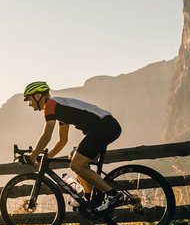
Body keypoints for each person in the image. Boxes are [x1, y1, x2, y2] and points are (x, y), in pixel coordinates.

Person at [22, 81, 124, 212]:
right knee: (74, 158)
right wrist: (46, 158)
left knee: (77, 164)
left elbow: (46, 135)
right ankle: (88, 198)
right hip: (105, 126)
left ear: (37, 96)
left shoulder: (51, 105)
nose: (30, 104)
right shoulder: (59, 109)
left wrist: (32, 156)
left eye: (29, 100)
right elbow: (62, 140)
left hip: (104, 127)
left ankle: (114, 196)